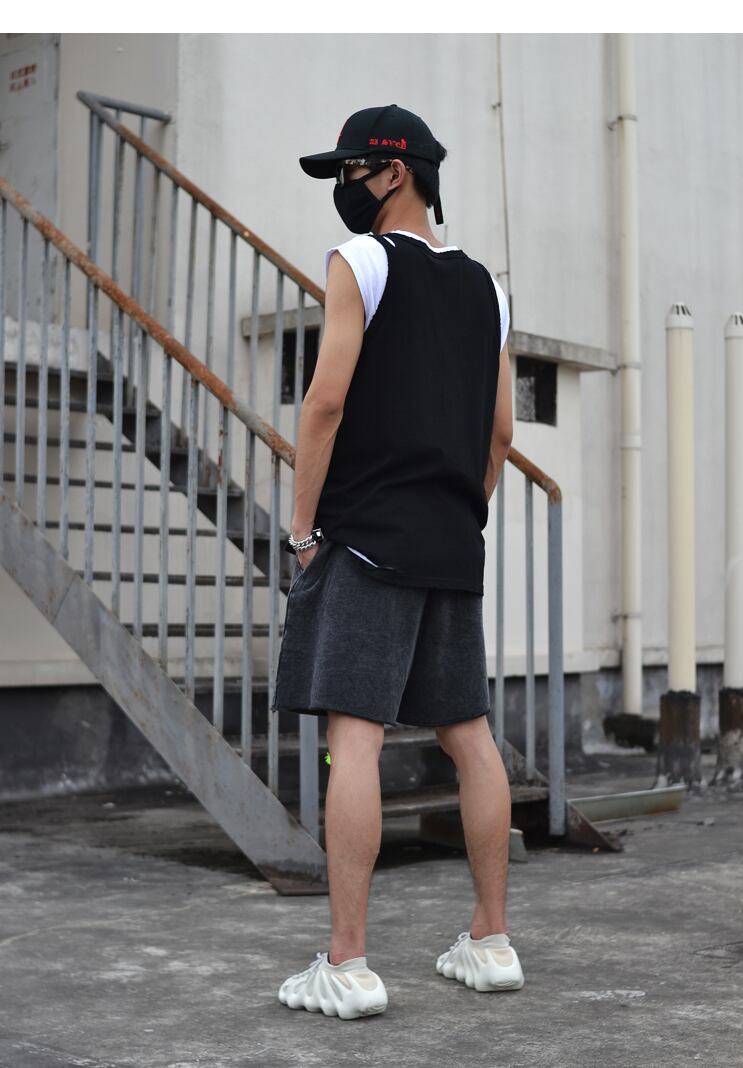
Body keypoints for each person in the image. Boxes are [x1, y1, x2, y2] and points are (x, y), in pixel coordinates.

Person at [273, 104, 521, 1020]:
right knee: (471, 737)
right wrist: (459, 516)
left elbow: (324, 404)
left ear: (394, 173)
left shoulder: (361, 262)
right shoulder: (489, 290)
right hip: (451, 543)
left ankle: (347, 964)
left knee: (356, 739)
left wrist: (304, 528)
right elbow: (501, 432)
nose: (344, 186)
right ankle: (491, 942)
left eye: (352, 170)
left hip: (368, 538)